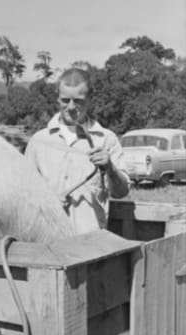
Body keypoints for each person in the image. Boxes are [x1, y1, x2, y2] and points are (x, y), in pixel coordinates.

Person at [24, 68, 130, 234]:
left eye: (78, 101)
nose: (71, 107)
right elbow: (24, 192)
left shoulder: (106, 139)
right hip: (48, 241)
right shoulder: (39, 141)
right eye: (65, 100)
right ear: (57, 98)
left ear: (90, 100)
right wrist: (47, 201)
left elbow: (121, 192)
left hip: (91, 244)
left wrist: (110, 167)